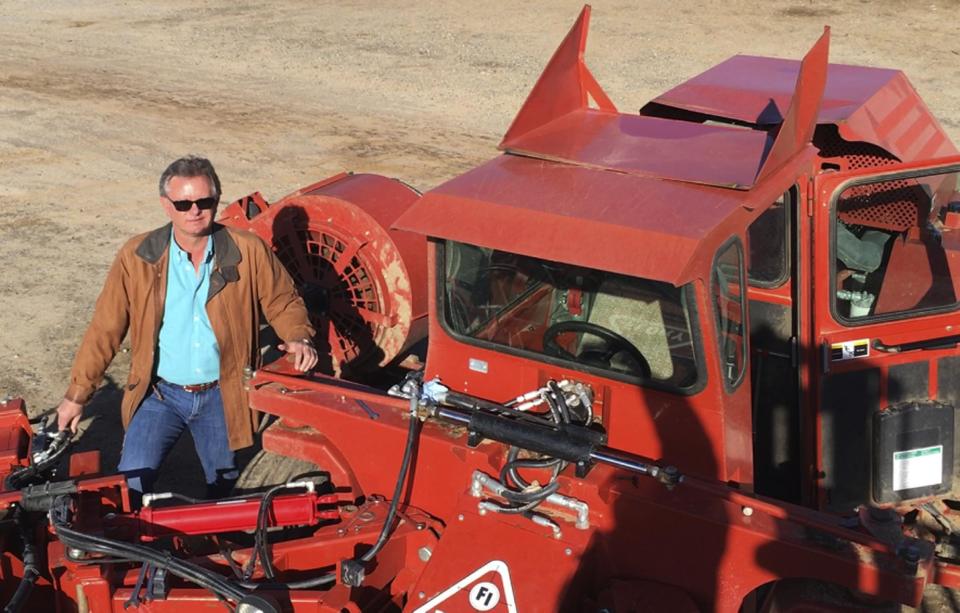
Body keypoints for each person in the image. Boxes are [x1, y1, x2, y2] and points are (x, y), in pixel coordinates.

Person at [56, 156, 318, 499]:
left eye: (204, 202)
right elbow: (106, 328)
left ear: (216, 200)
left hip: (222, 395)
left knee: (221, 486)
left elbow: (283, 301)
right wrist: (77, 396)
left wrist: (298, 337)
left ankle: (219, 547)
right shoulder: (137, 256)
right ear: (167, 206)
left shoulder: (248, 251)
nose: (195, 211)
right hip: (160, 395)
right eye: (183, 203)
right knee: (131, 485)